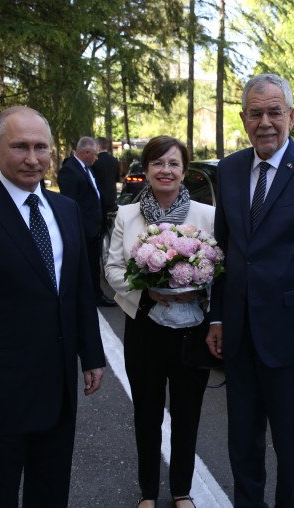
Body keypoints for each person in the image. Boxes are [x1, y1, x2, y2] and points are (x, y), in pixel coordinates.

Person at [0, 106, 106, 507]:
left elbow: (77, 289)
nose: (32, 158)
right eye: (20, 147)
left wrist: (92, 354)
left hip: (58, 392)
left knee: (50, 492)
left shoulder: (66, 210)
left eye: (41, 147)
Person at [205, 73, 294, 507]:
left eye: (274, 112)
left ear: (291, 116)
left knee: (290, 444)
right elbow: (222, 251)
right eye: (256, 113)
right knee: (242, 440)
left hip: (292, 337)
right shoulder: (228, 169)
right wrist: (218, 316)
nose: (265, 122)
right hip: (240, 337)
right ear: (243, 118)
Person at [104, 136, 212, 508]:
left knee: (188, 413)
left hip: (191, 330)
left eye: (173, 164)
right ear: (146, 170)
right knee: (146, 413)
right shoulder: (126, 216)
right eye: (157, 163)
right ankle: (148, 492)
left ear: (184, 171)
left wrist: (197, 284)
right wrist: (145, 288)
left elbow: (219, 267)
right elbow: (113, 269)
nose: (166, 170)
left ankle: (181, 490)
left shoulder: (206, 215)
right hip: (144, 326)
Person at [58, 136, 116, 307]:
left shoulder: (87, 169)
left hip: (93, 227)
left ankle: (95, 295)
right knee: (85, 265)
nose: (97, 158)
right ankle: (88, 297)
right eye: (95, 155)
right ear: (86, 152)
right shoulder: (70, 170)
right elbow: (69, 203)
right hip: (83, 229)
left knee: (93, 265)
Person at [92, 136, 120, 227]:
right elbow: (118, 179)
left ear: (98, 146)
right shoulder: (114, 160)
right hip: (112, 198)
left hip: (99, 199)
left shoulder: (95, 162)